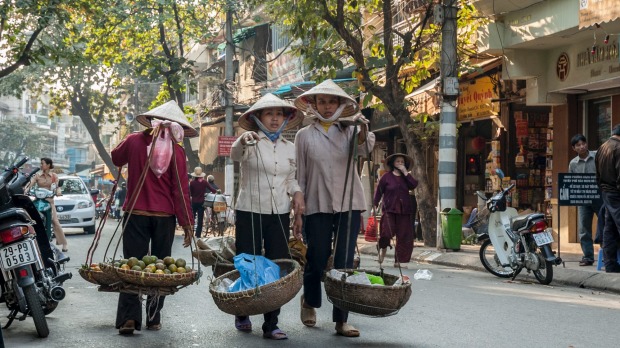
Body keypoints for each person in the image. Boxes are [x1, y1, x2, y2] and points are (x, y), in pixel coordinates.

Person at [294, 79, 375, 338]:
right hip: (316, 202)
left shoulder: (350, 130)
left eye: (331, 101)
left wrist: (362, 127)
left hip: (348, 203)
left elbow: (365, 148)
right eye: (322, 101)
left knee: (343, 263)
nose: (327, 107)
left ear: (340, 104)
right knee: (317, 257)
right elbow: (300, 174)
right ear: (313, 104)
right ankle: (310, 301)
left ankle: (341, 320)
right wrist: (298, 209)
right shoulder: (304, 135)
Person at [111, 100, 194, 335]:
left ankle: (129, 319)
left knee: (131, 267)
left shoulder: (134, 140)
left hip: (135, 214)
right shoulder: (177, 152)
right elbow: (180, 191)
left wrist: (130, 138)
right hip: (164, 217)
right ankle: (153, 318)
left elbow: (116, 158)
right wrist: (187, 223)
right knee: (161, 268)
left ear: (151, 121)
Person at [229, 93, 304, 340]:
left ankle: (271, 323)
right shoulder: (249, 141)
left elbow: (291, 178)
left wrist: (297, 194)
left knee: (276, 265)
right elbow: (234, 155)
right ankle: (242, 310)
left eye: (279, 114)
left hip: (279, 213)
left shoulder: (289, 147)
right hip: (249, 209)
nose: (275, 118)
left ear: (285, 118)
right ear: (258, 118)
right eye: (269, 114)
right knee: (249, 263)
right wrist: (242, 139)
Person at [373, 153, 419, 268]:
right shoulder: (386, 177)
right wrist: (374, 206)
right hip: (389, 209)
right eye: (398, 161)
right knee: (386, 232)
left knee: (404, 236)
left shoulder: (406, 177)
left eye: (402, 162)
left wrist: (405, 173)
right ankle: (383, 248)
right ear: (393, 163)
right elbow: (378, 192)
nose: (400, 163)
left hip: (404, 210)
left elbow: (414, 184)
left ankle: (400, 261)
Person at [569, 134, 602, 266]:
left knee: (605, 225)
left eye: (583, 143)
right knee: (583, 228)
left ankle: (607, 254)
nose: (582, 146)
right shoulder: (573, 163)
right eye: (578, 145)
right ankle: (588, 256)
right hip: (583, 199)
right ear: (574, 148)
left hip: (599, 197)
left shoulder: (597, 156)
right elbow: (570, 181)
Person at [27, 157, 68, 252]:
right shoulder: (37, 175)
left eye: (43, 163)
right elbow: (30, 183)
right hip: (38, 200)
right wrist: (26, 189)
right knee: (30, 219)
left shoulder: (54, 176)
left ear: (48, 165)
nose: (41, 165)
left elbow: (57, 187)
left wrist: (58, 192)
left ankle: (64, 243)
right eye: (41, 164)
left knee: (55, 221)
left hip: (49, 201)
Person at [595, 124, 620, 273]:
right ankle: (610, 263)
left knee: (609, 229)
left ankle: (610, 264)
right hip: (616, 193)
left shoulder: (602, 147)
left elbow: (597, 174)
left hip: (606, 192)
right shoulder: (618, 148)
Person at [189, 166, 215, 238]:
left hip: (193, 203)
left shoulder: (192, 183)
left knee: (192, 219)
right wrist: (218, 192)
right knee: (200, 220)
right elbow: (212, 189)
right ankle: (198, 234)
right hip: (201, 203)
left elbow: (190, 193)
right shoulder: (204, 182)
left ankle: (191, 233)